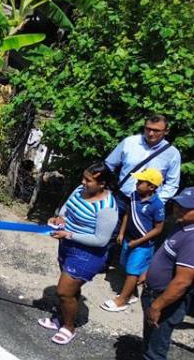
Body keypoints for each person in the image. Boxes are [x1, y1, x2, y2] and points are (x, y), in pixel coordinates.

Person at [38, 162, 118, 345]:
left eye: (88, 180)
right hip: (67, 246)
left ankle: (69, 327)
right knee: (71, 291)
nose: (83, 182)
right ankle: (62, 317)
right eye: (83, 177)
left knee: (64, 291)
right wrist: (59, 218)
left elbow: (101, 240)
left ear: (102, 184)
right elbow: (66, 209)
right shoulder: (80, 190)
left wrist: (69, 234)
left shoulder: (107, 207)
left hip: (87, 254)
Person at [140, 187, 194, 360]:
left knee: (155, 351)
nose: (178, 209)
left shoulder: (192, 239)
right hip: (153, 294)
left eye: (185, 207)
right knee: (149, 340)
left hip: (165, 301)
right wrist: (148, 272)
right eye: (177, 204)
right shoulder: (179, 225)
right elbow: (165, 253)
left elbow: (182, 282)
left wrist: (157, 306)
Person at [101, 168, 164, 312]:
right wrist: (122, 232)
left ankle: (122, 300)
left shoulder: (157, 205)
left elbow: (158, 229)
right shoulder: (134, 195)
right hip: (128, 239)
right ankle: (132, 293)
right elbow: (127, 215)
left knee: (132, 271)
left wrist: (138, 241)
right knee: (125, 264)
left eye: (141, 182)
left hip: (142, 245)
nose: (137, 183)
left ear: (151, 187)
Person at [105, 114, 181, 205]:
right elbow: (109, 165)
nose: (151, 133)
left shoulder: (172, 153)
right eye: (148, 129)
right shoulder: (130, 142)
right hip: (121, 199)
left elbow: (172, 184)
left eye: (156, 130)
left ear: (166, 131)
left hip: (148, 204)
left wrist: (157, 202)